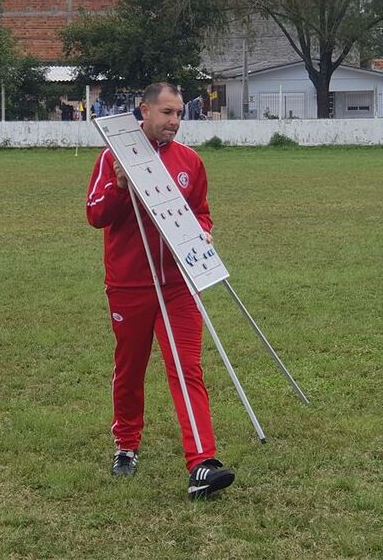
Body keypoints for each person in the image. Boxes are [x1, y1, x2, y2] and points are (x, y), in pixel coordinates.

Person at [86, 82, 235, 501]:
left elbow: (202, 214)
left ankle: (201, 463)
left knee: (187, 369)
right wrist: (118, 186)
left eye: (179, 115)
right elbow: (96, 216)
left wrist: (203, 235)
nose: (174, 122)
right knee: (130, 368)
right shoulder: (112, 158)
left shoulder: (191, 161)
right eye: (167, 113)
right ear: (144, 111)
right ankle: (127, 445)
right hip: (130, 283)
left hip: (179, 284)